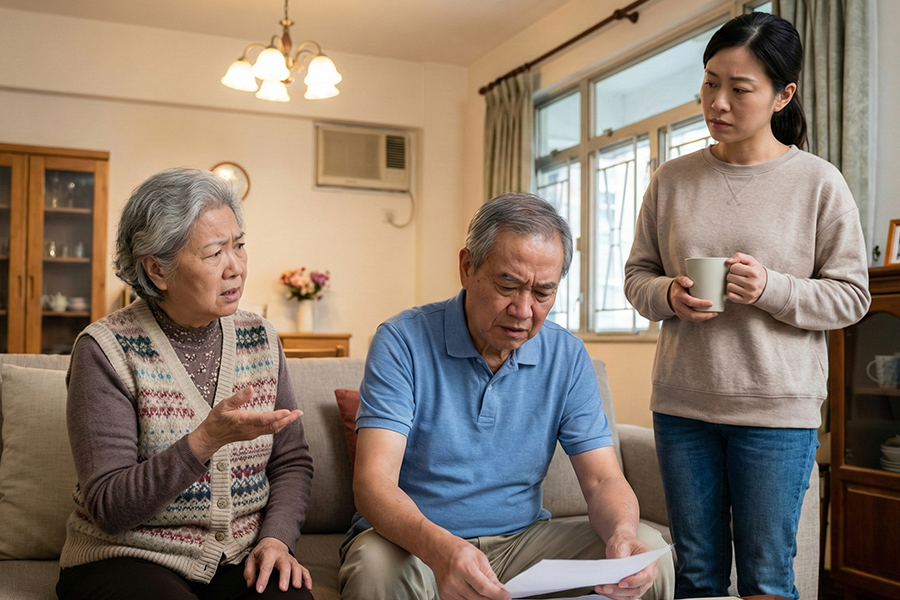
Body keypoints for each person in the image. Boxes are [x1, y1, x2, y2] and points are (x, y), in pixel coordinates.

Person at [623, 12, 870, 599]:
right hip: (683, 409)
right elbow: (637, 278)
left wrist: (771, 289)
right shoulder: (672, 180)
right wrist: (669, 296)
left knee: (766, 579)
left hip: (777, 416)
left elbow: (853, 297)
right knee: (698, 575)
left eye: (740, 88)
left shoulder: (818, 183)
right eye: (711, 82)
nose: (718, 102)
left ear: (783, 95)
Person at [339, 193, 674, 600]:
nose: (523, 310)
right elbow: (374, 482)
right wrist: (441, 550)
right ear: (467, 267)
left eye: (543, 293)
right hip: (416, 545)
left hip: (523, 542)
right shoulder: (402, 341)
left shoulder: (566, 355)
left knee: (648, 552)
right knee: (375, 570)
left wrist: (622, 535)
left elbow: (603, 478)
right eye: (508, 285)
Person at [56, 168, 315, 600]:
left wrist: (276, 539)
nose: (235, 267)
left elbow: (291, 462)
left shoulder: (261, 339)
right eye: (215, 253)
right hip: (128, 557)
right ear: (157, 269)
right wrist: (204, 441)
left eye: (239, 246)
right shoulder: (106, 350)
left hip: (238, 557)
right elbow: (109, 506)